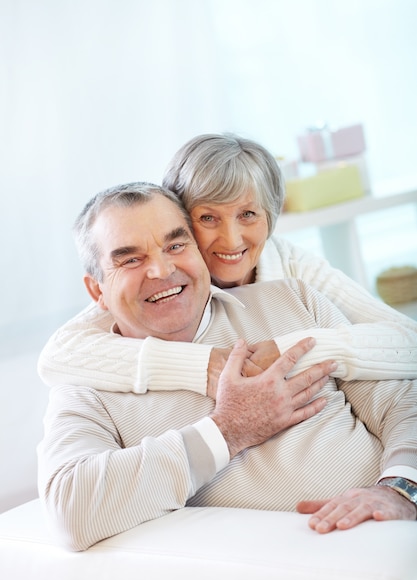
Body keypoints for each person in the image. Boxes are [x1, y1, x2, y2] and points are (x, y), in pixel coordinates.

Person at [37, 182, 417, 552]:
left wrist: (401, 489)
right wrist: (228, 430)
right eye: (131, 259)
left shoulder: (292, 298)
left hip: (393, 528)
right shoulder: (86, 385)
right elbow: (70, 508)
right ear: (97, 291)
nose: (161, 270)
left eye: (176, 244)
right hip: (283, 574)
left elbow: (402, 402)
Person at [37, 134, 417, 399]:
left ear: (271, 217)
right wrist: (203, 366)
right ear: (181, 221)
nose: (232, 240)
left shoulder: (292, 266)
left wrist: (286, 351)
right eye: (208, 219)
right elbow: (58, 355)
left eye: (248, 214)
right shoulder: (161, 282)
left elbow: (407, 341)